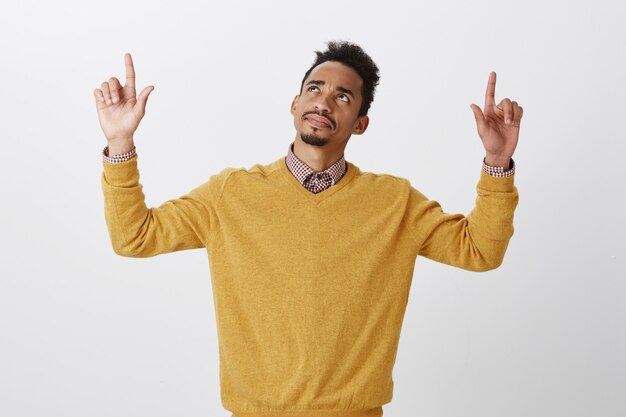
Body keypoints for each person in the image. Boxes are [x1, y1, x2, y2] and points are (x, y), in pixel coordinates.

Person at [94, 41, 521, 417]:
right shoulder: (230, 193)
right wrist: (119, 145)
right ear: (294, 104)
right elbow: (135, 237)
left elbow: (480, 251)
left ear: (360, 123)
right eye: (314, 89)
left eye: (343, 97)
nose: (323, 103)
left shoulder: (394, 202)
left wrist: (497, 163)